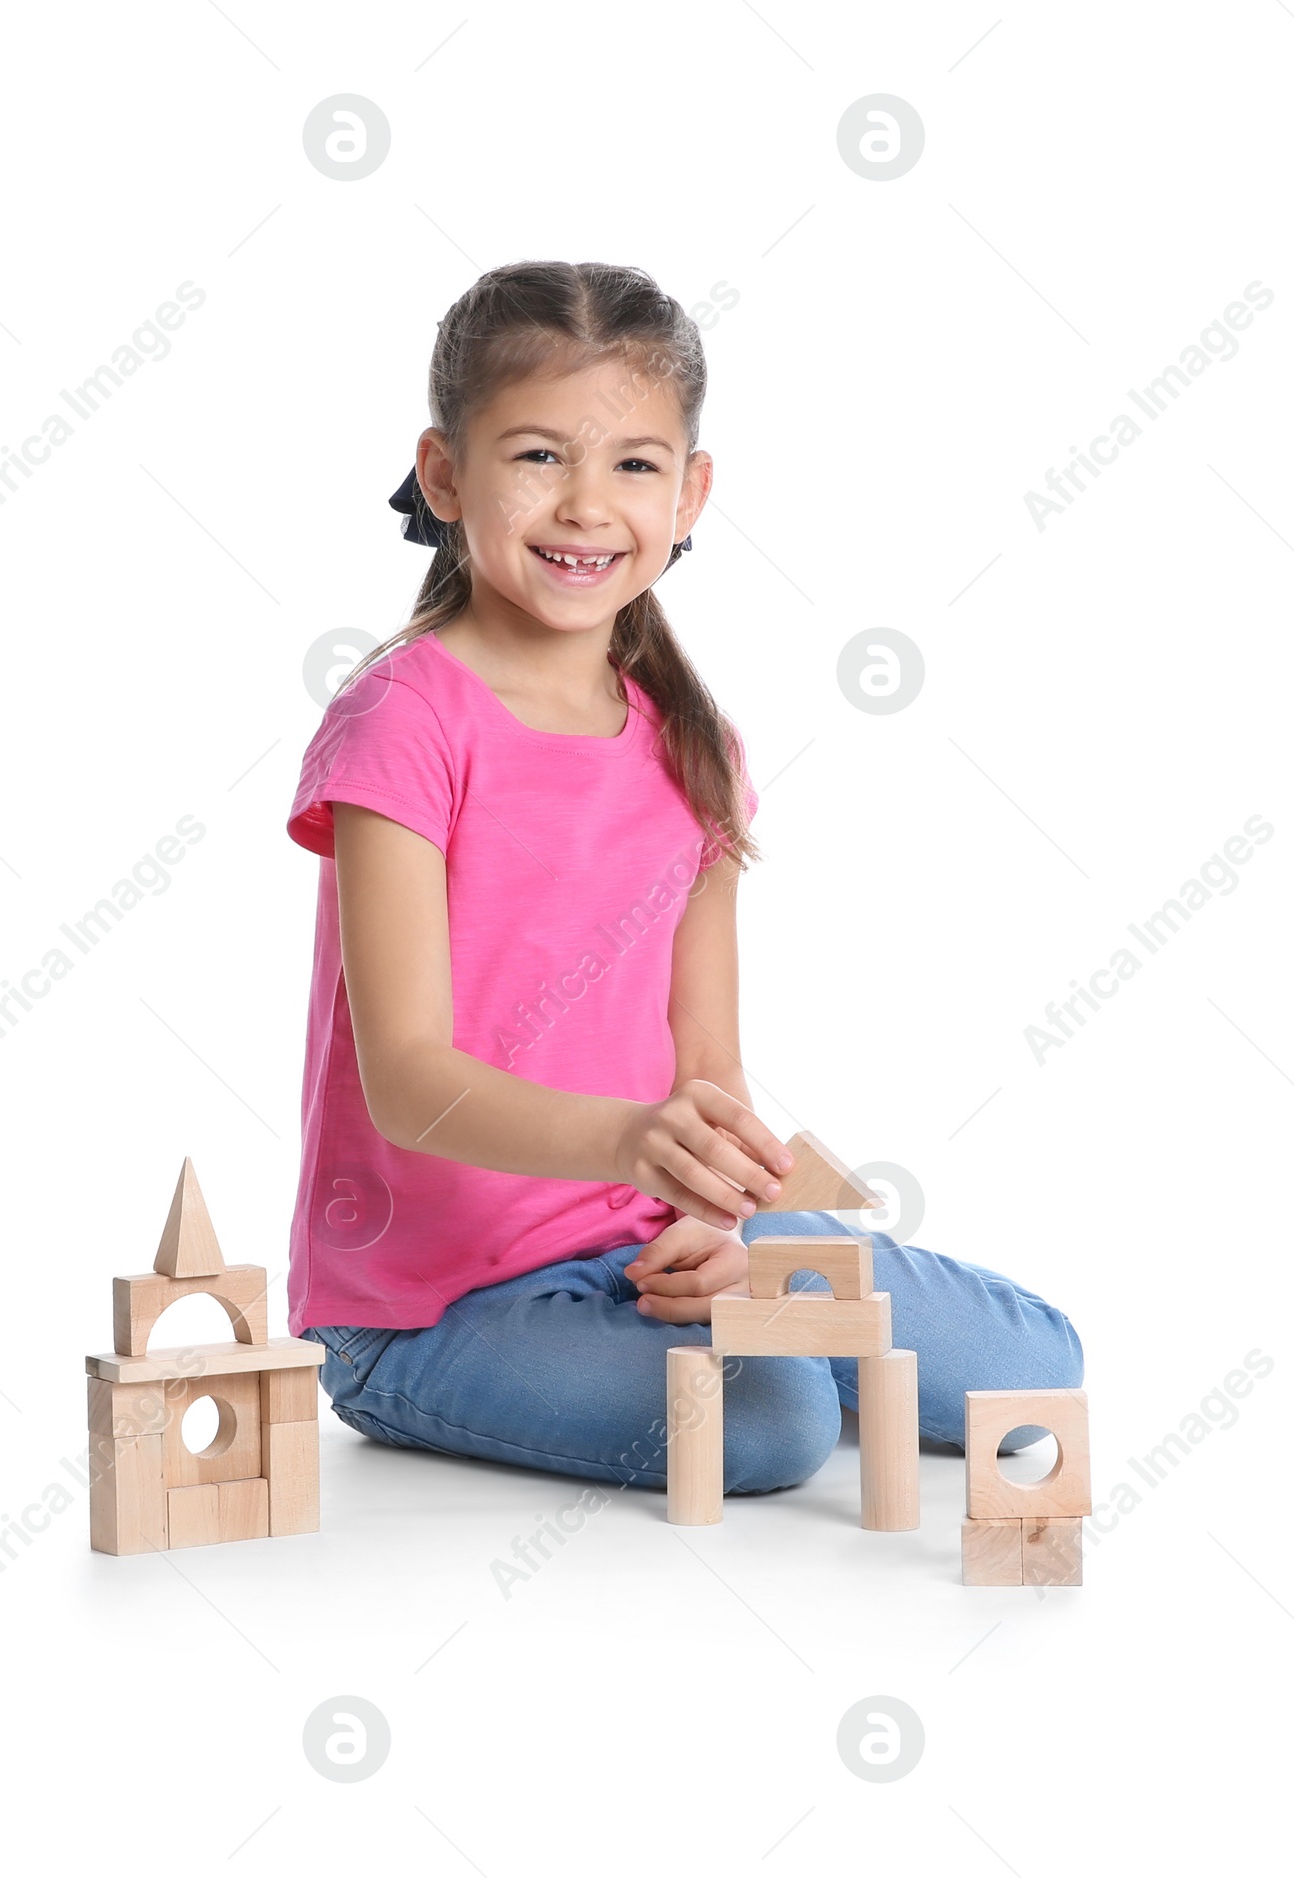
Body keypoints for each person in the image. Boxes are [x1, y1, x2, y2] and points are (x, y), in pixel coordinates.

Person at [284, 259, 1081, 1495]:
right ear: (446, 473)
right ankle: (663, 1346)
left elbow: (705, 1062)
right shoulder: (403, 720)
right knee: (769, 1426)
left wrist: (717, 1217)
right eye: (538, 456)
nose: (586, 506)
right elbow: (409, 1084)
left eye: (634, 465)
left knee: (1035, 1360)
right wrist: (630, 1145)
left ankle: (753, 1293)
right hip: (435, 1305)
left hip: (647, 1234)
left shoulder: (688, 740)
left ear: (691, 491)